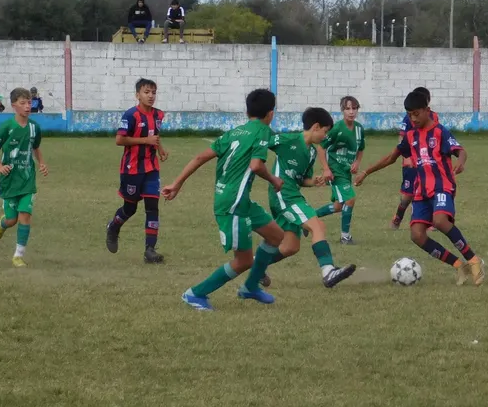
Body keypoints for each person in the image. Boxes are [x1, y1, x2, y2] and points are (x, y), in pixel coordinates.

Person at [162, 89, 284, 311]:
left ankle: (250, 287)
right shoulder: (262, 131)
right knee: (244, 260)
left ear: (247, 111)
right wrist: (274, 179)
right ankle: (195, 293)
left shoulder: (235, 132)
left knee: (276, 235)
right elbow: (256, 166)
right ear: (271, 113)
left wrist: (177, 183)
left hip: (238, 199)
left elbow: (200, 157)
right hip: (233, 204)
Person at [355, 90, 484, 286]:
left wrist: (461, 162)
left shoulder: (440, 132)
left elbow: (460, 150)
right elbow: (391, 158)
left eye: (416, 113)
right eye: (409, 115)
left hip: (442, 186)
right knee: (416, 235)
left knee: (440, 221)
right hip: (421, 191)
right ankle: (459, 265)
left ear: (427, 111)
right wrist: (367, 172)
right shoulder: (410, 136)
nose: (413, 118)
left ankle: (474, 260)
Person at [262, 107, 356, 289]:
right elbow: (263, 139)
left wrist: (314, 181)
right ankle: (328, 271)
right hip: (283, 195)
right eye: (325, 132)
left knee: (291, 246)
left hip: (293, 195)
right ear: (316, 127)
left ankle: (255, 265)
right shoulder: (287, 140)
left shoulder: (312, 152)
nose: (325, 136)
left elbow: (302, 179)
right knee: (318, 225)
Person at [105, 78, 168, 264]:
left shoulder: (158, 115)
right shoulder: (131, 115)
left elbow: (154, 135)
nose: (151, 96)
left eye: (153, 92)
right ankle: (113, 227)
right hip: (131, 169)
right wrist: (144, 142)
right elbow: (119, 140)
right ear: (137, 95)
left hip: (151, 168)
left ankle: (150, 250)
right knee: (130, 208)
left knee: (152, 207)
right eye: (147, 92)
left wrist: (160, 148)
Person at [0, 87, 49, 267]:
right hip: (9, 180)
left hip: (27, 179)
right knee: (12, 219)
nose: (27, 106)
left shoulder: (34, 128)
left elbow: (36, 147)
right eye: (23, 103)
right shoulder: (6, 127)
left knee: (25, 214)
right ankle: (2, 223)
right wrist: (0, 167)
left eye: (29, 102)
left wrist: (41, 163)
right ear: (14, 105)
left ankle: (18, 255)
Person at [315, 96, 364, 245]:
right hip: (335, 171)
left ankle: (310, 218)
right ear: (342, 110)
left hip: (346, 171)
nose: (351, 112)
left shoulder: (359, 129)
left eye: (354, 108)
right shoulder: (336, 128)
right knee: (350, 199)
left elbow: (361, 148)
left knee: (338, 206)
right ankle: (345, 237)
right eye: (348, 108)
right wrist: (326, 169)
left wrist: (357, 161)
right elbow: (321, 147)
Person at [391, 86, 437, 229]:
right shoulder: (409, 117)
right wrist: (406, 157)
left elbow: (435, 137)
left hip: (427, 161)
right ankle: (398, 217)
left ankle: (429, 221)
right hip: (411, 161)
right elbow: (402, 138)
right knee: (407, 196)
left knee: (430, 190)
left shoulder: (434, 117)